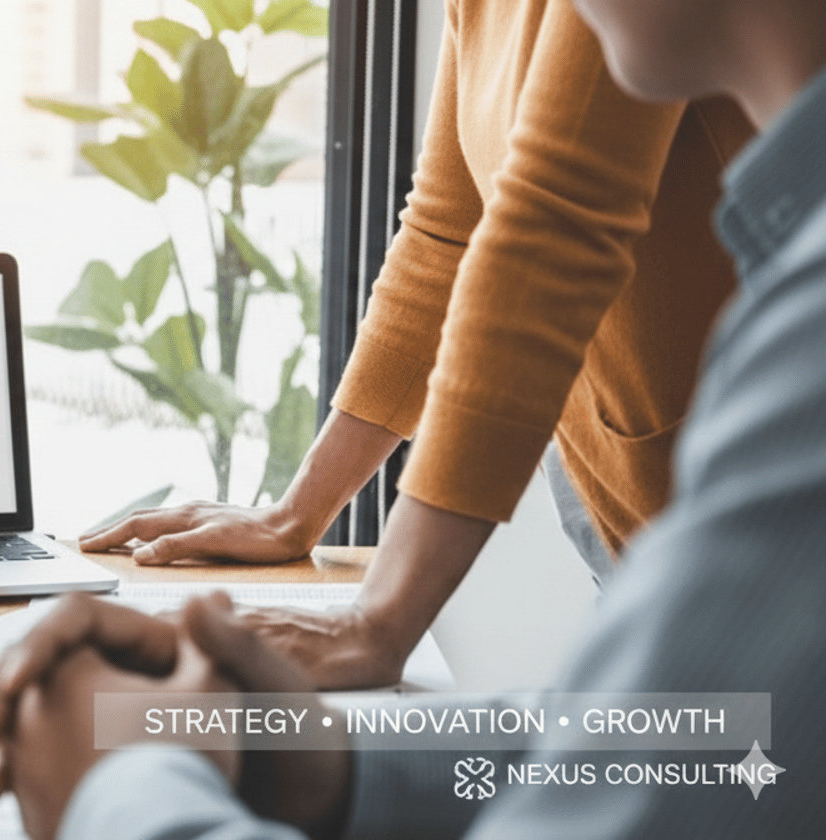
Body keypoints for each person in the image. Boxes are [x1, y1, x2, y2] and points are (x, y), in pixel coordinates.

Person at [0, 0, 826, 832]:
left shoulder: (806, 358)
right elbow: (678, 744)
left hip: (728, 516)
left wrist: (124, 786)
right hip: (668, 537)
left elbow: (548, 226)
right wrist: (305, 755)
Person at [79, 0, 756, 688]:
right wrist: (297, 514)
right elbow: (446, 231)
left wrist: (379, 621)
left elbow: (551, 236)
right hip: (624, 504)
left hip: (744, 505)